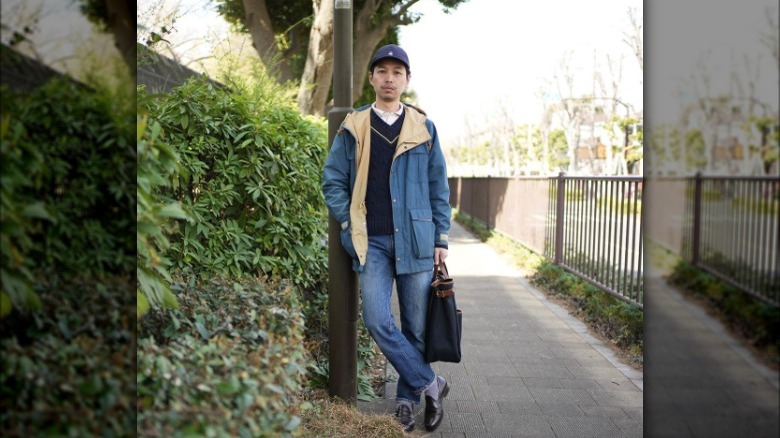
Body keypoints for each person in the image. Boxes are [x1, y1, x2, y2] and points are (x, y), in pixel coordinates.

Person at [322, 44, 451, 432]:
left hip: (415, 238)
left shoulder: (423, 127)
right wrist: (348, 222)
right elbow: (333, 181)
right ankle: (432, 384)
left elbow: (437, 185)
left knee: (415, 327)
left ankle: (407, 403)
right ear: (373, 78)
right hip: (371, 241)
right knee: (378, 320)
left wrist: (441, 237)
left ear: (407, 79)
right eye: (383, 71)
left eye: (398, 71)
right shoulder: (354, 124)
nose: (390, 78)